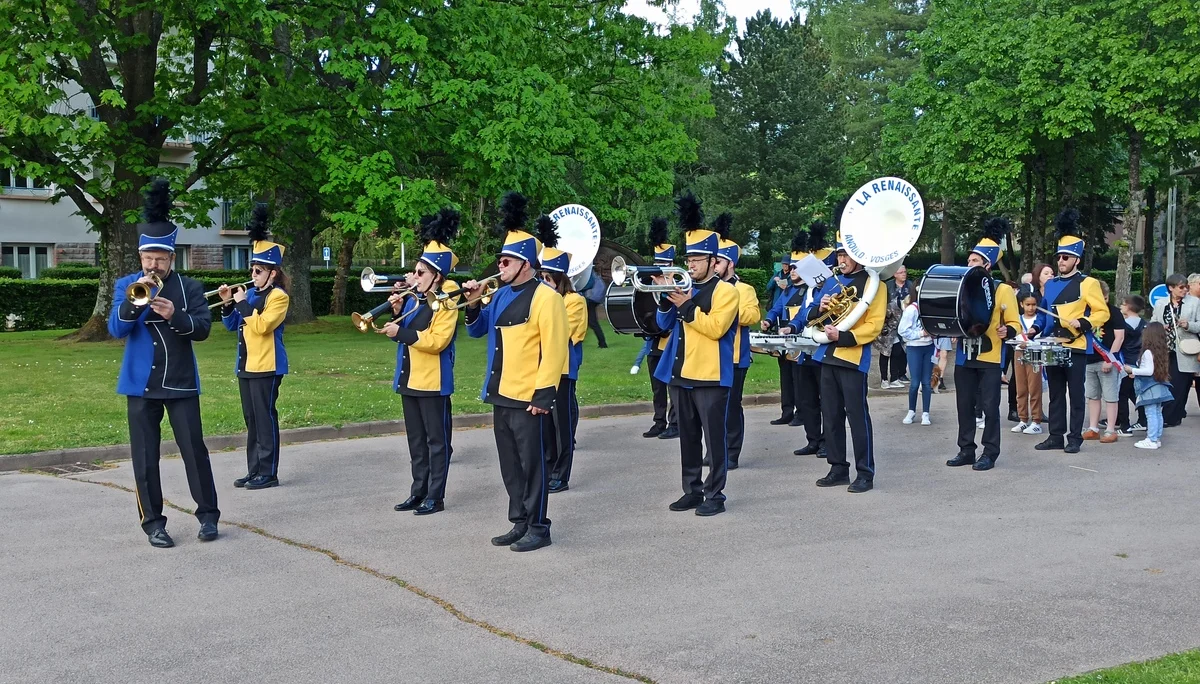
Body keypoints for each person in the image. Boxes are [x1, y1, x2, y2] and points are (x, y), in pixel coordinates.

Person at [107, 180, 218, 548]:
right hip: (139, 384)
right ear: (141, 258)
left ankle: (208, 517)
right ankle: (153, 523)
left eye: (160, 259)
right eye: (147, 259)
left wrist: (176, 315)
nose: (153, 265)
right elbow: (115, 329)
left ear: (172, 258)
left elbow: (202, 329)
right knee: (144, 457)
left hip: (182, 382)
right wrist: (133, 302)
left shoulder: (190, 288)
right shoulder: (128, 284)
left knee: (194, 451)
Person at [464, 192, 568, 552]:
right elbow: (477, 331)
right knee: (510, 466)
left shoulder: (547, 298)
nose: (500, 265)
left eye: (506, 261)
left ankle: (539, 526)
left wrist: (544, 396)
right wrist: (476, 301)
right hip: (501, 393)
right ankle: (519, 521)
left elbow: (554, 351)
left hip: (529, 397)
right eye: (500, 260)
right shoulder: (502, 294)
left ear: (525, 263)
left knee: (534, 466)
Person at [657, 192, 738, 516]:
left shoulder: (726, 291)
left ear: (712, 261)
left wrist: (687, 305)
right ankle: (691, 490)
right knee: (687, 438)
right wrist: (665, 299)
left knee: (713, 439)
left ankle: (715, 495)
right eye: (689, 259)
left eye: (696, 260)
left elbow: (716, 328)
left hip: (710, 375)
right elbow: (662, 325)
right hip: (680, 372)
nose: (689, 264)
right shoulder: (683, 286)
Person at [382, 208, 461, 516]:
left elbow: (436, 341)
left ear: (437, 277)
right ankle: (418, 491)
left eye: (420, 273)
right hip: (409, 379)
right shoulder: (416, 299)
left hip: (433, 381)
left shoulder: (447, 300)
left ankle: (435, 496)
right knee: (416, 442)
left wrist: (400, 331)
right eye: (415, 272)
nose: (413, 277)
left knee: (436, 443)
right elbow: (404, 330)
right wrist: (396, 310)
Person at [806, 227, 886, 493]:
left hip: (851, 357)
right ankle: (838, 467)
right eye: (840, 254)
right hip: (827, 356)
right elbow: (811, 316)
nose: (842, 260)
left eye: (847, 255)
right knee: (830, 416)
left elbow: (874, 325)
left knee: (857, 416)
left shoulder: (876, 285)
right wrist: (821, 307)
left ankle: (865, 472)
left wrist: (843, 336)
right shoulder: (832, 282)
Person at [1027, 209, 1111, 454]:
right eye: (1059, 257)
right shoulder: (1050, 284)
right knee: (1054, 394)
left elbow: (1102, 313)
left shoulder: (1089, 283)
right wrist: (1034, 328)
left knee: (1075, 394)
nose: (1060, 261)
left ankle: (1074, 438)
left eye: (1065, 257)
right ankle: (1055, 436)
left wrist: (1083, 322)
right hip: (1053, 345)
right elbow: (1043, 314)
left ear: (1076, 259)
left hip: (1076, 346)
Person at [219, 206, 290, 490]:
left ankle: (268, 472)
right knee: (251, 419)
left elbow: (261, 327)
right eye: (252, 269)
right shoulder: (248, 293)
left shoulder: (279, 297)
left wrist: (242, 304)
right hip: (246, 364)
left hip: (267, 365)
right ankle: (254, 469)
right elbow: (230, 325)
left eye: (258, 270)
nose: (253, 273)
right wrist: (227, 303)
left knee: (265, 417)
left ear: (273, 273)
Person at [946, 218, 1020, 471]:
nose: (969, 264)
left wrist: (1006, 329)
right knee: (964, 405)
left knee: (989, 407)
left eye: (974, 261)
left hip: (989, 357)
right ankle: (966, 449)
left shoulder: (1002, 290)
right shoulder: (960, 287)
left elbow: (1015, 323)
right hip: (964, 357)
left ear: (987, 264)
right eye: (969, 260)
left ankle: (990, 452)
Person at [536, 215, 588, 493]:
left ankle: (562, 474)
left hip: (565, 369)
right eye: (541, 277)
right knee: (545, 425)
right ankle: (547, 466)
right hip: (542, 368)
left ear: (560, 280)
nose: (543, 283)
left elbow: (564, 333)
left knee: (562, 425)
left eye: (548, 278)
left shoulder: (574, 301)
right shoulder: (543, 300)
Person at [779, 221, 834, 457]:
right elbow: (803, 314)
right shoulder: (811, 290)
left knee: (828, 402)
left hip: (824, 351)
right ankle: (813, 439)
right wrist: (791, 326)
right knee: (807, 399)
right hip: (805, 350)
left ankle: (828, 443)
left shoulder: (833, 288)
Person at [714, 213, 761, 469]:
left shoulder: (745, 289)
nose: (714, 266)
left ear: (730, 264)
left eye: (718, 262)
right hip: (710, 356)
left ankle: (732, 452)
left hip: (734, 357)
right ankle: (714, 451)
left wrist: (728, 311)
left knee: (731, 407)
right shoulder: (708, 288)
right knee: (711, 410)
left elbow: (753, 315)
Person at [640, 217, 679, 440]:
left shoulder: (676, 284)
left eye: (665, 267)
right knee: (657, 386)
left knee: (672, 384)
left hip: (671, 341)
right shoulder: (646, 286)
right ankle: (659, 421)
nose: (660, 273)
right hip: (653, 341)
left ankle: (675, 423)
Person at [1150, 273, 1200, 427]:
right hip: (1165, 349)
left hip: (1185, 349)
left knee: (1181, 384)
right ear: (1171, 288)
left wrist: (1188, 325)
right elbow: (1152, 323)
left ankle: (1171, 416)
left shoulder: (1194, 303)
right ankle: (1172, 416)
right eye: (1181, 287)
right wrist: (1160, 327)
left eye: (1186, 286)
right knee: (1170, 383)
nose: (1185, 290)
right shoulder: (1161, 304)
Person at [762, 246, 802, 426]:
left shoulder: (808, 290)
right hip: (783, 333)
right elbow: (777, 308)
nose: (792, 271)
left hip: (799, 335)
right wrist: (768, 321)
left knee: (798, 377)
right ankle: (787, 411)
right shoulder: (788, 290)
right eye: (791, 268)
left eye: (796, 268)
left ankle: (800, 413)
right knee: (785, 376)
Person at [1082, 280, 1124, 444]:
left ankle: (1111, 429)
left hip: (1107, 360)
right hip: (1089, 359)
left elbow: (1119, 337)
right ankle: (1093, 428)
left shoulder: (1114, 312)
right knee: (1092, 396)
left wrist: (1110, 359)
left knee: (1110, 396)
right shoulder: (1086, 313)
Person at [1126, 322, 1174, 449]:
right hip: (1159, 385)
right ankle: (1156, 438)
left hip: (1149, 387)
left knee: (1151, 413)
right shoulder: (1160, 351)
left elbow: (1148, 371)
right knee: (1157, 412)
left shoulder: (1147, 352)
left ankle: (1151, 439)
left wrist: (1132, 370)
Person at [1010, 285, 1044, 435]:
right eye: (1028, 304)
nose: (1031, 308)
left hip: (1035, 353)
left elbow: (1042, 337)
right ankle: (1023, 419)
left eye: (1034, 304)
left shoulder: (1039, 320)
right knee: (1021, 388)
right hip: (1018, 352)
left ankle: (1036, 420)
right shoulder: (1017, 319)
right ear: (1021, 304)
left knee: (1034, 388)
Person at [897, 284, 934, 425]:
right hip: (915, 348)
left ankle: (926, 413)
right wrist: (921, 333)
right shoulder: (912, 309)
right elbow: (902, 330)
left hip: (929, 347)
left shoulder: (929, 308)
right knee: (914, 382)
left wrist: (934, 334)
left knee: (926, 382)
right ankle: (911, 411)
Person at [1116, 295, 1147, 435]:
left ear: (1128, 306)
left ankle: (1125, 425)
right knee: (1136, 393)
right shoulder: (1145, 324)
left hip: (1125, 363)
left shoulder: (1122, 325)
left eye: (1123, 304)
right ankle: (1143, 420)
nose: (1121, 307)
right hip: (1140, 363)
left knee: (1122, 394)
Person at [889, 265, 911, 383]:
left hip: (906, 321)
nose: (904, 274)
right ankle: (894, 375)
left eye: (905, 271)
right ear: (895, 274)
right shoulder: (888, 287)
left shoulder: (911, 286)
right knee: (894, 350)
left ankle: (902, 373)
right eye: (901, 272)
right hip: (892, 323)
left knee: (905, 350)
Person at [875, 297, 902, 389]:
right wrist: (884, 328)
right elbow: (882, 318)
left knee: (896, 353)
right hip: (886, 334)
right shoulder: (891, 306)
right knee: (885, 355)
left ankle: (894, 378)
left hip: (895, 334)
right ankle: (884, 379)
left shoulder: (907, 307)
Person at [581, 271, 609, 348]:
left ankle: (602, 343)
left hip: (591, 298)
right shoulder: (591, 273)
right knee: (587, 320)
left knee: (592, 322)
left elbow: (587, 285)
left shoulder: (587, 274)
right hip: (594, 297)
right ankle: (580, 338)